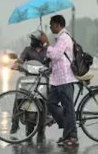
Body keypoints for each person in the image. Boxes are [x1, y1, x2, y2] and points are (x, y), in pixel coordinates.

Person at [41, 15, 79, 147]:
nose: (50, 27)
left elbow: (56, 55)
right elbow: (57, 57)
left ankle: (72, 137)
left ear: (57, 25)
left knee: (69, 109)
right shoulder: (59, 38)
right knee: (51, 103)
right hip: (57, 80)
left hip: (65, 79)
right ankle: (67, 128)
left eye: (51, 24)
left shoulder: (64, 37)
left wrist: (46, 44)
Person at [10, 29, 48, 137]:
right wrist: (17, 64)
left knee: (46, 102)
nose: (32, 41)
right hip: (29, 80)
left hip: (43, 80)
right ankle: (14, 123)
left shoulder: (47, 50)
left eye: (34, 39)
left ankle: (43, 124)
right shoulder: (27, 50)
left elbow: (52, 63)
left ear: (40, 41)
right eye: (32, 39)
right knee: (18, 98)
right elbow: (20, 59)